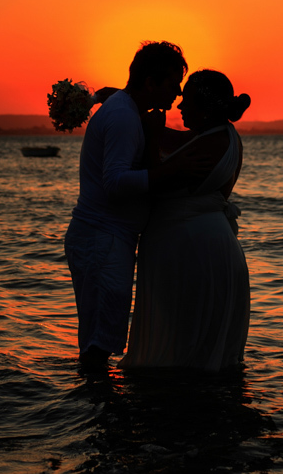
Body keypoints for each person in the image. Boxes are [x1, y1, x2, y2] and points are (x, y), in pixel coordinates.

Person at [64, 41, 210, 371]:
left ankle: (95, 401)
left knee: (99, 339)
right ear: (150, 83)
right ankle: (98, 402)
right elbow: (115, 182)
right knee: (99, 345)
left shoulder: (125, 109)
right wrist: (174, 169)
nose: (177, 94)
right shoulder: (123, 117)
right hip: (102, 240)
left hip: (104, 239)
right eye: (172, 85)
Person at [119, 69, 252, 373]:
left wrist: (152, 138)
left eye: (187, 100)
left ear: (205, 108)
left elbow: (156, 184)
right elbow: (173, 139)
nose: (179, 105)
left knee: (184, 345)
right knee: (197, 348)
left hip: (193, 251)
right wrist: (126, 101)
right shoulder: (219, 135)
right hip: (207, 245)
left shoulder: (210, 143)